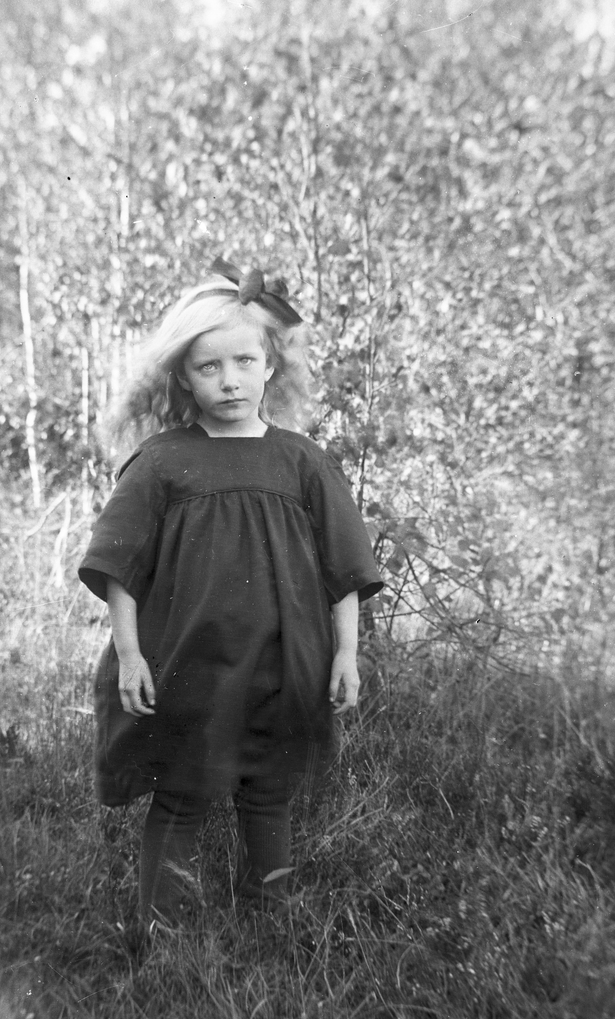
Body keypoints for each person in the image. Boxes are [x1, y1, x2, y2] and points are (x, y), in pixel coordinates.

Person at [77, 257, 383, 929]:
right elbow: (117, 568)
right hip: (189, 667)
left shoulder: (302, 461)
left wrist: (345, 655)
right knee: (181, 796)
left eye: (244, 361)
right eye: (208, 366)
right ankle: (162, 936)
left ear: (270, 365)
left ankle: (269, 924)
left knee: (268, 795)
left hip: (282, 667)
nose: (229, 379)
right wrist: (129, 656)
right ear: (182, 378)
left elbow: (344, 571)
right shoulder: (162, 462)